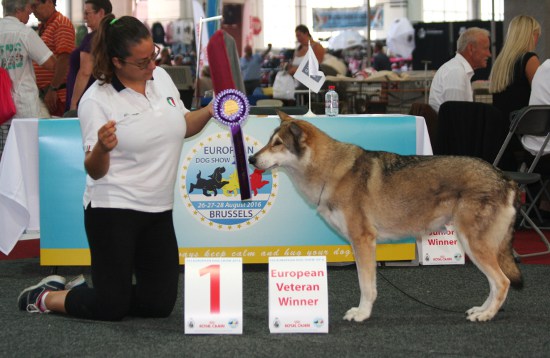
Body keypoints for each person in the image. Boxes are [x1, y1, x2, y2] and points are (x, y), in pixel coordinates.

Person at [17, 15, 214, 321]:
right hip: (112, 209)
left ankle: (100, 291)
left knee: (158, 306)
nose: (152, 66)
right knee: (111, 308)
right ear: (117, 62)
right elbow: (94, 170)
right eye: (143, 61)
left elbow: (183, 124)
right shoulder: (96, 100)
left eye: (154, 56)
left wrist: (213, 109)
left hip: (158, 210)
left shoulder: (160, 78)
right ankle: (47, 297)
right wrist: (103, 148)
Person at [0, 0, 56, 119]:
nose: (31, 11)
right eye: (29, 7)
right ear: (18, 10)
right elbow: (51, 64)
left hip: (2, 106)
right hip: (23, 106)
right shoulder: (24, 33)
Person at [65, 0, 112, 116]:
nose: (84, 17)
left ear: (101, 12)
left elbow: (85, 72)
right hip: (103, 98)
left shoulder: (93, 39)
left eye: (87, 13)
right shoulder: (112, 35)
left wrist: (74, 103)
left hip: (86, 100)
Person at [489, 15, 541, 123]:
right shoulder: (529, 59)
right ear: (530, 36)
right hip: (523, 129)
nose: (537, 40)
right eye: (537, 35)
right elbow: (542, 94)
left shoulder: (500, 62)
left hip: (501, 131)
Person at [428, 27, 491, 113]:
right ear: (471, 49)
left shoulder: (457, 69)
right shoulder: (456, 72)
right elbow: (456, 118)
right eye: (485, 48)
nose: (489, 54)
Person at [32, 0, 75, 117]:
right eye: (31, 7)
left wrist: (53, 88)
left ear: (50, 2)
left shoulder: (60, 23)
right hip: (47, 94)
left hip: (56, 95)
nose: (33, 11)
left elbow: (64, 59)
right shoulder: (45, 26)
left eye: (36, 6)